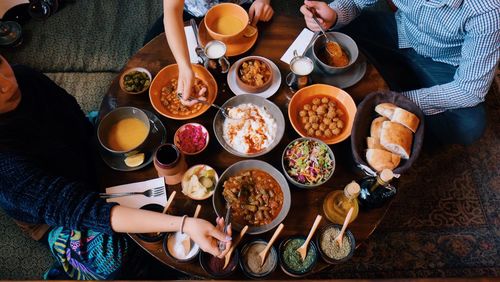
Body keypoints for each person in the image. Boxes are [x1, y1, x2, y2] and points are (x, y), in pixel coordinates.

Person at [0, 55, 231, 279]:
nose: (5, 82)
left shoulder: (24, 76)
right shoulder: (5, 167)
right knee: (118, 259)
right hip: (56, 214)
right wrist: (184, 224)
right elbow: (86, 210)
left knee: (149, 134)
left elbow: (76, 118)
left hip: (84, 152)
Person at [301, 0, 500, 145]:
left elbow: (469, 90)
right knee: (330, 32)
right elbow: (355, 2)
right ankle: (397, 95)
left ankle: (395, 99)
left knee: (470, 125)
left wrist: (398, 100)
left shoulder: (488, 10)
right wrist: (334, 15)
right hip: (400, 31)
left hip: (443, 64)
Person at [144, 0, 274, 107]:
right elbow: (172, 10)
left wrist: (263, 1)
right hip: (194, 12)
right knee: (149, 48)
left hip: (242, 8)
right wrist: (184, 67)